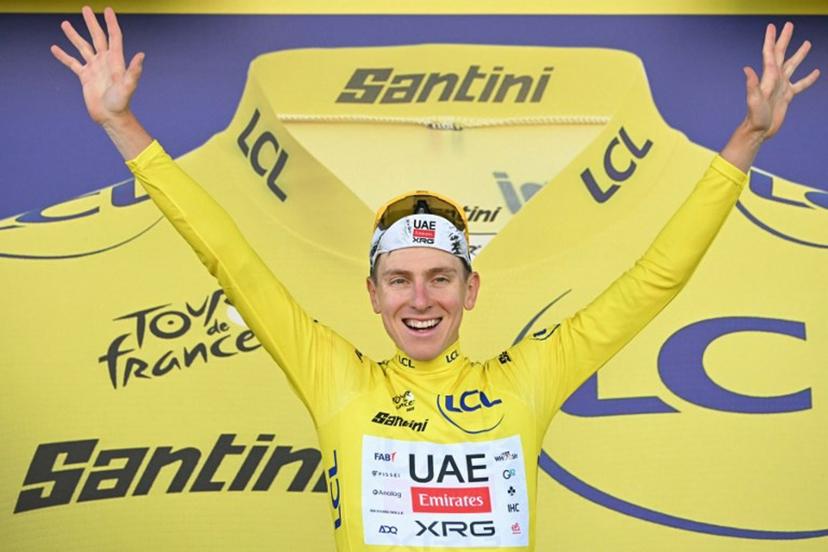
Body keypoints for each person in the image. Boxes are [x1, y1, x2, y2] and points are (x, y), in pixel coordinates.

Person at [52, 6, 819, 551]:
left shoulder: (529, 378)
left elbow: (655, 278)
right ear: (375, 296)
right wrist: (123, 124)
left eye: (441, 277)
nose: (421, 298)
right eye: (401, 279)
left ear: (470, 290)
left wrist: (748, 137)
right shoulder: (335, 378)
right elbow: (230, 255)